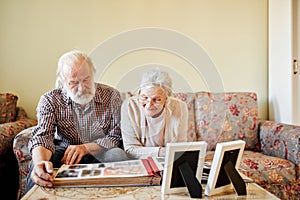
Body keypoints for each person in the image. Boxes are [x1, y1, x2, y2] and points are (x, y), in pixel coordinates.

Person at [25, 50, 128, 193]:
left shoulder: (111, 96)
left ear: (93, 73)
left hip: (100, 151)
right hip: (64, 152)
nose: (81, 88)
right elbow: (43, 136)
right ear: (62, 81)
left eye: (86, 80)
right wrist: (40, 162)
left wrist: (86, 148)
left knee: (117, 155)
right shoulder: (49, 100)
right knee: (38, 166)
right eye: (73, 82)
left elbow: (116, 136)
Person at [121, 68, 188, 159]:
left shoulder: (180, 107)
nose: (149, 105)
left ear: (167, 99)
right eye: (144, 97)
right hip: (140, 162)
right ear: (139, 93)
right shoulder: (129, 107)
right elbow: (130, 149)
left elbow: (180, 148)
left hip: (169, 162)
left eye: (157, 100)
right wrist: (163, 152)